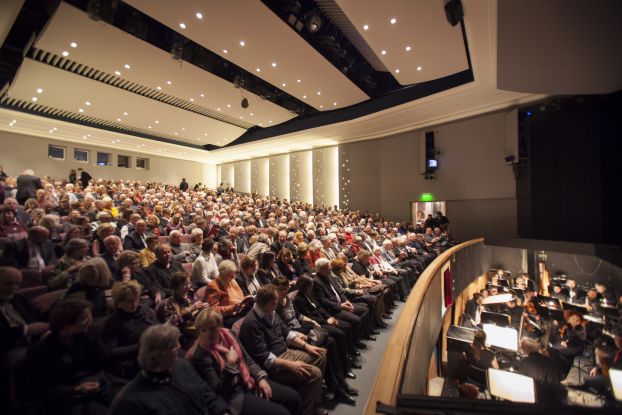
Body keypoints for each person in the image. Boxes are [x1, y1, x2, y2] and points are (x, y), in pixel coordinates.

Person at [189, 308, 302, 415]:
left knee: (293, 398)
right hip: (234, 395)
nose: (208, 333)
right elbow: (218, 391)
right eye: (203, 330)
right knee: (282, 413)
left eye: (212, 328)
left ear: (220, 326)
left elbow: (246, 359)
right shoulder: (201, 356)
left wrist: (260, 378)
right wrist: (230, 365)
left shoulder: (228, 334)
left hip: (248, 380)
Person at [239, 285, 327, 415]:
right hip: (275, 364)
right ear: (270, 303)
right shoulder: (251, 323)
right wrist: (292, 365)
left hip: (286, 353)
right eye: (276, 298)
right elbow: (264, 358)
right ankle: (305, 411)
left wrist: (307, 346)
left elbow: (287, 333)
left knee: (320, 355)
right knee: (315, 374)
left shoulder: (271, 312)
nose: (281, 298)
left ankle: (313, 401)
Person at [27, 299, 125, 415]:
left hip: (100, 383)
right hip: (71, 396)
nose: (91, 321)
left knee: (130, 401)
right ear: (67, 325)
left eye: (90, 316)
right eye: (84, 319)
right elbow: (43, 390)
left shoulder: (86, 336)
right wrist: (75, 389)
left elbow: (104, 359)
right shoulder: (41, 350)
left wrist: (92, 338)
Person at [109, 324, 230, 415]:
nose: (179, 347)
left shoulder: (182, 366)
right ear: (158, 353)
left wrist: (223, 412)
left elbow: (206, 394)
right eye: (174, 345)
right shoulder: (133, 401)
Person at [100, 280, 158, 379]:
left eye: (137, 299)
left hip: (153, 353)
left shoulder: (146, 311)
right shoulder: (112, 322)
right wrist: (141, 345)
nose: (135, 304)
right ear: (119, 302)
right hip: (131, 362)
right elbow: (111, 352)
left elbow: (158, 327)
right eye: (130, 301)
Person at [156, 272, 209, 349]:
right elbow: (170, 324)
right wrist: (190, 310)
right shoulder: (169, 303)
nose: (188, 287)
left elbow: (194, 314)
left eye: (189, 283)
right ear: (176, 286)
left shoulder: (190, 295)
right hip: (182, 336)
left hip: (195, 330)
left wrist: (201, 308)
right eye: (184, 284)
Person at [195, 260, 253, 328]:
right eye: (231, 275)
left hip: (238, 310)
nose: (234, 277)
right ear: (223, 274)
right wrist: (233, 308)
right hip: (225, 317)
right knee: (249, 322)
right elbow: (213, 309)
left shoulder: (231, 281)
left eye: (234, 273)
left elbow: (238, 297)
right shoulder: (214, 286)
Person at [516, 337, 565, 403]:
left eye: (522, 346)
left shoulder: (524, 363)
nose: (520, 348)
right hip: (553, 400)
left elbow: (523, 385)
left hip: (535, 400)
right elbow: (561, 376)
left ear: (529, 349)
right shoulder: (551, 360)